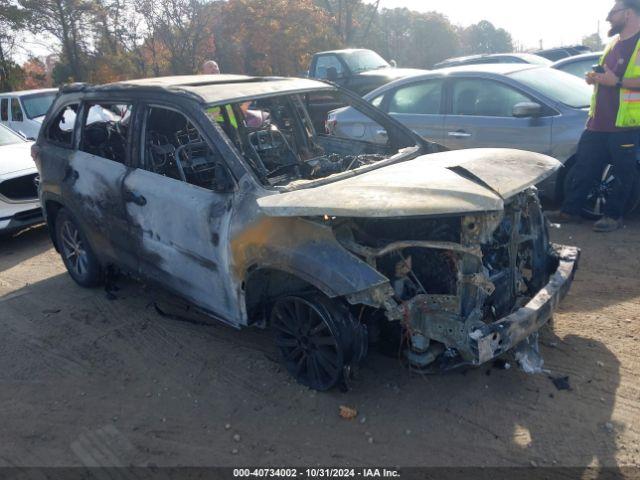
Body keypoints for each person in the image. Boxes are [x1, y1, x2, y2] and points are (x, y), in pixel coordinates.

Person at [549, 0, 640, 232]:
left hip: (625, 126)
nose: (609, 17)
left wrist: (616, 81)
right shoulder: (613, 44)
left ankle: (613, 216)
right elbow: (605, 75)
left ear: (628, 14)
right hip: (597, 122)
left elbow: (617, 80)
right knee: (583, 168)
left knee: (623, 174)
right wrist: (595, 78)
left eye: (613, 12)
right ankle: (571, 211)